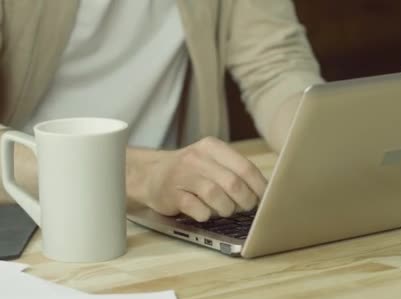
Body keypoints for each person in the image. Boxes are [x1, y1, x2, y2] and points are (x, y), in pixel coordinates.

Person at [0, 0, 324, 221]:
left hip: (171, 214)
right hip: (31, 213)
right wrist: (141, 174)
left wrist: (329, 140)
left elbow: (275, 66)